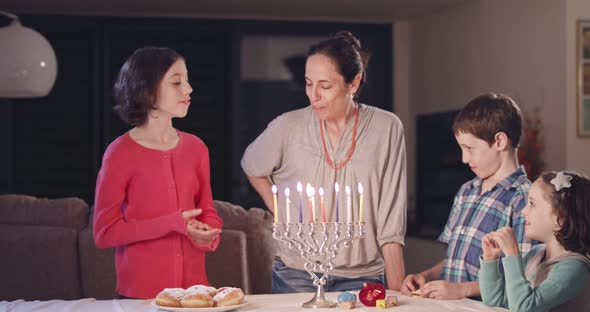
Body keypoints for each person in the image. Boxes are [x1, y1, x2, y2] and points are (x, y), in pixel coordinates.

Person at [241, 31, 407, 293]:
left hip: (363, 276)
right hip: (297, 272)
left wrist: (398, 288)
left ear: (354, 83)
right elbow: (252, 165)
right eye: (308, 83)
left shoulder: (387, 128)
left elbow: (391, 213)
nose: (313, 95)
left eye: (325, 86)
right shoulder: (288, 125)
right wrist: (280, 211)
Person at [93, 47, 222, 299]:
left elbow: (207, 211)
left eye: (186, 80)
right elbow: (104, 233)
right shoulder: (119, 153)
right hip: (141, 297)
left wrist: (207, 235)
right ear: (148, 90)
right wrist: (172, 224)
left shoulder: (196, 148)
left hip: (196, 294)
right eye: (176, 82)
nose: (188, 89)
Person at [401, 93, 536, 299]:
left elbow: (525, 277)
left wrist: (461, 290)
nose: (464, 159)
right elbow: (456, 260)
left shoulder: (525, 199)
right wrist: (426, 276)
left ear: (499, 141)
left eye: (469, 148)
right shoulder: (467, 191)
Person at [479, 171, 590, 311]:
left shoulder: (575, 268)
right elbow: (496, 302)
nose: (523, 211)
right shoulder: (535, 254)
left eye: (532, 204)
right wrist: (490, 259)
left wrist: (512, 254)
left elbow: (524, 307)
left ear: (560, 220)